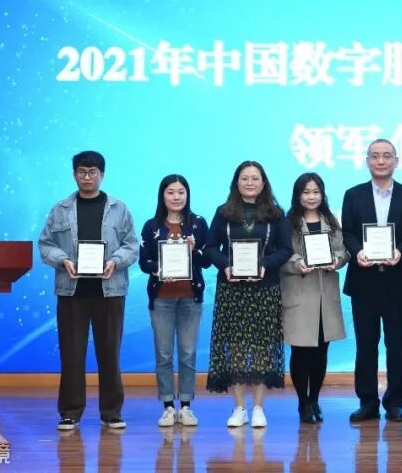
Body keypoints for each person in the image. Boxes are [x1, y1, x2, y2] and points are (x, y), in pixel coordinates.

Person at [37, 150, 139, 431]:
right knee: (71, 355)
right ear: (74, 175)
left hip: (110, 291)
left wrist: (115, 261)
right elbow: (45, 244)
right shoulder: (60, 209)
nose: (87, 177)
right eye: (81, 172)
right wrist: (63, 260)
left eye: (92, 172)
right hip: (72, 292)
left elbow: (132, 246)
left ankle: (112, 412)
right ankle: (70, 412)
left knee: (110, 354)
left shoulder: (119, 208)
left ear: (102, 175)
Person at [205, 161, 293, 428]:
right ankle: (239, 408)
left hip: (265, 290)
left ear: (263, 183)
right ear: (237, 182)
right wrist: (226, 265)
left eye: (255, 178)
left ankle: (258, 408)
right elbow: (211, 247)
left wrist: (265, 264)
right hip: (232, 290)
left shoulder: (276, 214)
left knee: (262, 348)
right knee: (235, 348)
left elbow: (286, 249)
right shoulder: (223, 212)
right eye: (245, 178)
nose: (250, 183)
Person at [340, 139, 402, 423]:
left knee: (397, 346)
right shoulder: (353, 194)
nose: (381, 161)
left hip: (398, 281)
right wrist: (357, 251)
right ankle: (367, 402)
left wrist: (401, 251)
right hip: (364, 281)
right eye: (375, 156)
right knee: (366, 345)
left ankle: (395, 403)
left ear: (396, 160)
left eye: (386, 156)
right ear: (367, 161)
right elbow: (347, 233)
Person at [138, 174, 211, 427]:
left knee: (188, 353)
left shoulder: (198, 224)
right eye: (170, 192)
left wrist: (194, 250)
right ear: (162, 195)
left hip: (191, 297)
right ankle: (168, 406)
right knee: (164, 354)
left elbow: (207, 261)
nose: (176, 197)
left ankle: (186, 406)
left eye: (181, 192)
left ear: (187, 195)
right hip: (162, 298)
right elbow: (144, 262)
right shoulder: (151, 226)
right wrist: (159, 269)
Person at [281, 172, 349, 424]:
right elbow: (281, 254)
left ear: (323, 194)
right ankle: (302, 403)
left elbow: (343, 251)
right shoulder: (287, 223)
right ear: (298, 195)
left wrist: (337, 260)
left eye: (316, 192)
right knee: (301, 352)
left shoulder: (331, 221)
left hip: (325, 296)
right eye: (306, 192)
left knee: (321, 352)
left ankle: (315, 399)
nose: (311, 197)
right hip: (299, 294)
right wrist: (296, 262)